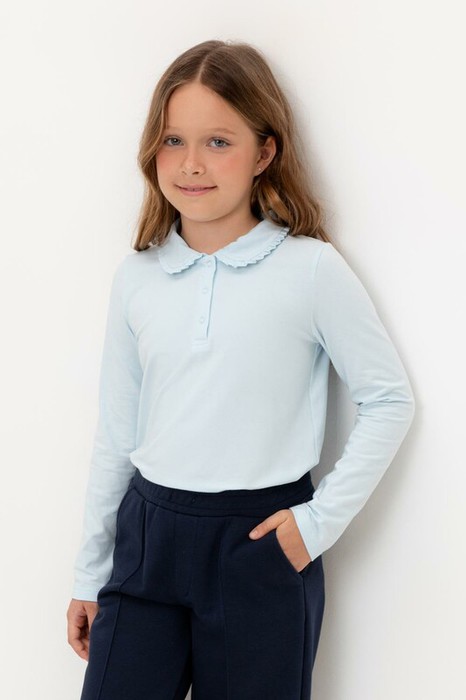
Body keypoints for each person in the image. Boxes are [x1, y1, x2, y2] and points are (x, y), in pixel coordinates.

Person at [66, 39, 415, 700]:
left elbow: (389, 400)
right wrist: (90, 572)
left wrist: (314, 527)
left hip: (258, 543)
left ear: (264, 152)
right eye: (173, 140)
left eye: (219, 142)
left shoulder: (310, 270)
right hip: (147, 542)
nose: (192, 164)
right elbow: (116, 435)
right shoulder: (138, 277)